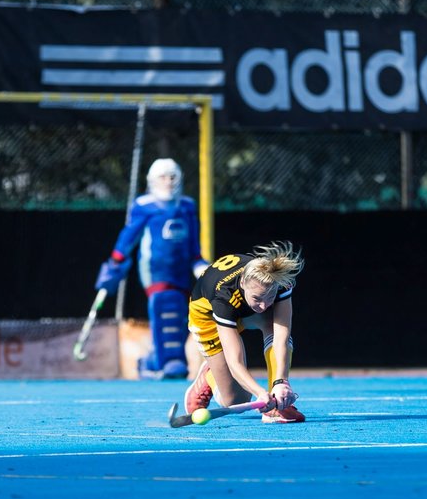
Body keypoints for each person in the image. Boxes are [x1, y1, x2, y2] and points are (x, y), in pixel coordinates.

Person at [94, 158, 208, 380]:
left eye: (172, 177)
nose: (168, 182)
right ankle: (168, 362)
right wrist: (116, 260)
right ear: (152, 181)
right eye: (162, 177)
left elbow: (193, 240)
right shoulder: (144, 205)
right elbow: (130, 235)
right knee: (164, 307)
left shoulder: (187, 206)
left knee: (181, 314)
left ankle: (156, 360)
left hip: (181, 270)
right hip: (155, 270)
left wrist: (198, 262)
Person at [183, 241, 305, 423]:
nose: (264, 305)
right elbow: (235, 362)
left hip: (244, 310)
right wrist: (260, 393)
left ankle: (277, 408)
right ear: (243, 283)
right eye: (257, 297)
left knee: (272, 322)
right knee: (235, 399)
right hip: (207, 317)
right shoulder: (223, 298)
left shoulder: (280, 283)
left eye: (270, 297)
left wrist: (281, 382)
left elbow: (281, 338)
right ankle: (209, 376)